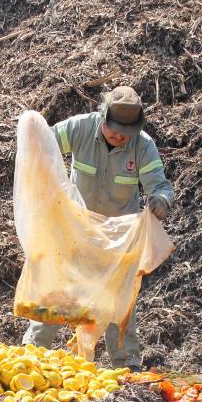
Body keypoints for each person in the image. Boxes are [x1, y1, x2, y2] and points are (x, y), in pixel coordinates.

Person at [21, 86, 175, 371]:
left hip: (118, 242)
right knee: (57, 295)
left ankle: (127, 368)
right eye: (114, 130)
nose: (119, 137)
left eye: (125, 133)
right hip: (75, 233)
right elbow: (44, 145)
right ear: (102, 117)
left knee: (119, 305)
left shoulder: (143, 145)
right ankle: (31, 356)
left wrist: (161, 201)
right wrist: (32, 129)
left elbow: (161, 186)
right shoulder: (79, 128)